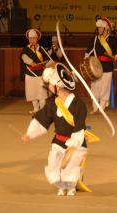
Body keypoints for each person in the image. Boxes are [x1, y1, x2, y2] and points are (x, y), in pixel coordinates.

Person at [21, 63, 96, 196]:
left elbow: (79, 127)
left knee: (71, 165)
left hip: (75, 142)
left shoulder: (79, 105)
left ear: (58, 86)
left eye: (50, 84)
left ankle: (71, 186)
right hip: (58, 141)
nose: (48, 87)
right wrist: (30, 134)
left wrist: (73, 145)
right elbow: (42, 119)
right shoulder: (52, 104)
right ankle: (62, 186)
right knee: (54, 164)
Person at [85, 17, 117, 114]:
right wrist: (87, 62)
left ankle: (102, 108)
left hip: (107, 67)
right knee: (95, 87)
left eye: (100, 27)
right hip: (96, 66)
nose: (98, 29)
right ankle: (95, 108)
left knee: (105, 88)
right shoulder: (95, 39)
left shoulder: (112, 40)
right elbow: (88, 52)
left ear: (106, 28)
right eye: (98, 28)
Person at [21, 29, 54, 114]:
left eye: (34, 38)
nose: (32, 40)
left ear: (37, 39)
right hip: (30, 74)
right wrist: (31, 63)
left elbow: (48, 60)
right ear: (28, 39)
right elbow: (24, 57)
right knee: (32, 93)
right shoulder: (26, 49)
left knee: (41, 93)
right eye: (30, 38)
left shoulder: (41, 49)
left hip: (40, 74)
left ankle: (42, 109)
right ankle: (35, 108)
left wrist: (51, 66)